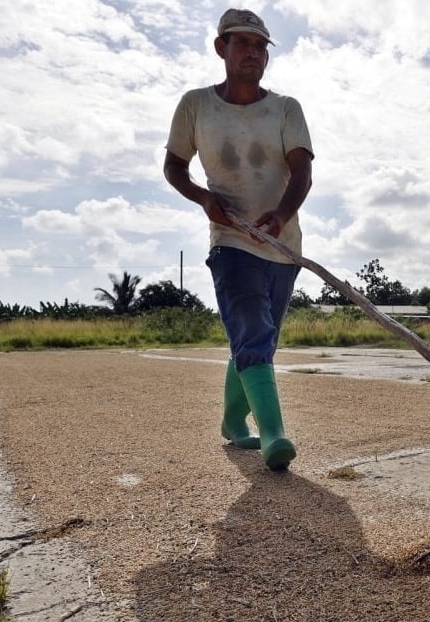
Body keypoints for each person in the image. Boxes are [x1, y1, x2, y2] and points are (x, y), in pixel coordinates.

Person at [163, 8, 313, 471]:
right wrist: (203, 198)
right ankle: (274, 435)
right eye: (243, 43)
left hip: (283, 245)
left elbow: (302, 171)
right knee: (252, 331)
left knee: (257, 343)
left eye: (261, 45)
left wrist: (282, 214)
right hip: (230, 241)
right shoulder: (196, 105)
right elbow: (174, 167)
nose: (253, 52)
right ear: (221, 48)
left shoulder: (286, 108)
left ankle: (233, 422)